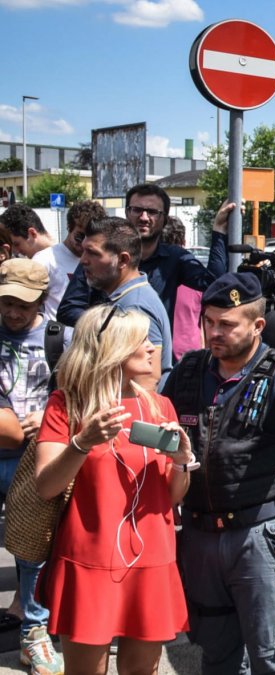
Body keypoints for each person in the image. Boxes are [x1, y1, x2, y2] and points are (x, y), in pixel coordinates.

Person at [162, 272, 275, 673]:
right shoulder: (190, 369)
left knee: (271, 658)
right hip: (198, 535)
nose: (214, 332)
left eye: (226, 324)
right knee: (216, 656)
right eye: (208, 321)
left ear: (257, 325)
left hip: (257, 537)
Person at [34, 304, 193, 674]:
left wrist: (184, 462)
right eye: (143, 341)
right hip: (89, 561)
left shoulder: (160, 406)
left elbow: (171, 496)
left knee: (143, 671)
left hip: (152, 557)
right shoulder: (68, 404)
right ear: (115, 350)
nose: (154, 347)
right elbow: (46, 487)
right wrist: (82, 442)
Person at [0, 259, 63, 675]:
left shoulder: (62, 339)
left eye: (22, 304)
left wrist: (47, 417)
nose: (12, 312)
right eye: (5, 302)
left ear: (41, 299)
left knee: (33, 550)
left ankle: (34, 634)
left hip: (32, 458)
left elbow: (78, 392)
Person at [58, 184, 229, 328]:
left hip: (152, 360)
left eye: (152, 211)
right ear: (127, 213)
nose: (144, 217)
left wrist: (219, 231)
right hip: (106, 359)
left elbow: (214, 282)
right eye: (137, 210)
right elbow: (68, 310)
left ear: (164, 219)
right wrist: (116, 327)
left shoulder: (174, 259)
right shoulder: (102, 256)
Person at [79, 217, 172, 388]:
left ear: (123, 260)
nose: (83, 260)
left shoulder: (134, 307)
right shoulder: (127, 299)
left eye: (93, 253)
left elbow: (147, 378)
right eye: (84, 251)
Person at [33, 200, 103, 319]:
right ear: (69, 228)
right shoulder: (45, 259)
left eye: (90, 237)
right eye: (80, 236)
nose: (85, 243)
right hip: (56, 333)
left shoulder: (100, 261)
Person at [161, 217, 204, 359]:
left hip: (155, 355)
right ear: (184, 242)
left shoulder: (149, 275)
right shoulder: (197, 278)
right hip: (190, 358)